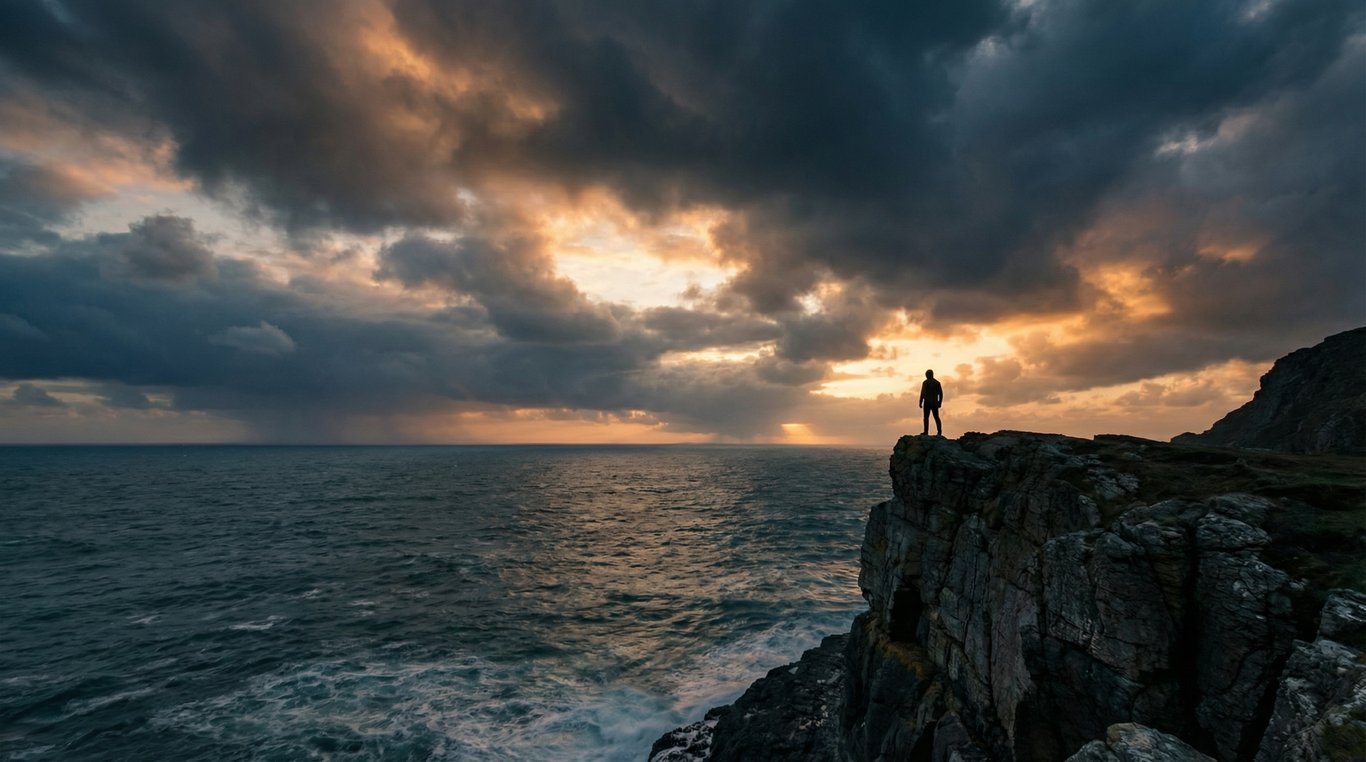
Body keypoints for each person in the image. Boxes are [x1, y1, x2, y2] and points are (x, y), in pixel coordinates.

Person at [919, 369, 943, 436]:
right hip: (935, 402)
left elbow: (922, 393)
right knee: (936, 417)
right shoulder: (937, 383)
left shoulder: (925, 383)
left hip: (927, 402)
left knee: (926, 418)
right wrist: (939, 402)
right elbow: (941, 394)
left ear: (928, 375)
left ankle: (926, 432)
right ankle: (939, 432)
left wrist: (920, 402)